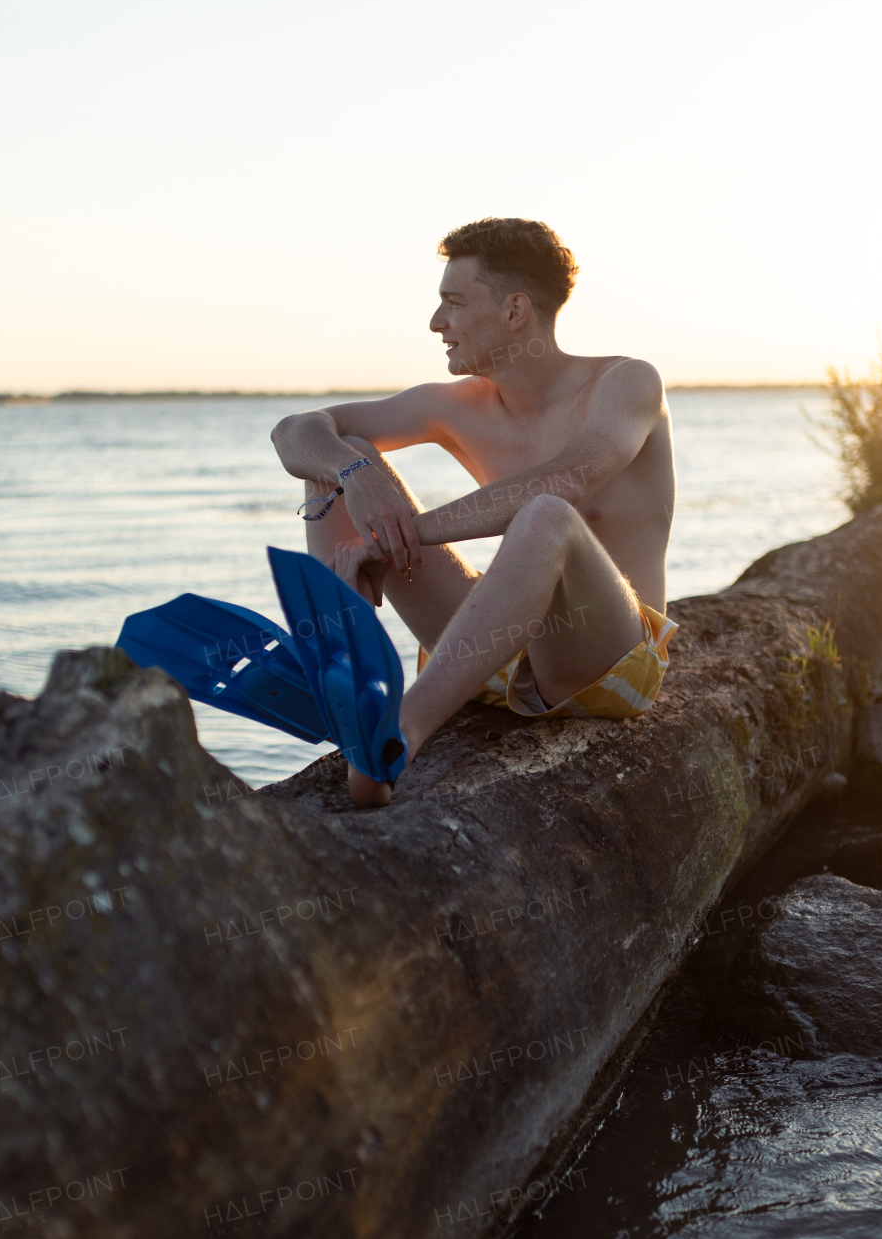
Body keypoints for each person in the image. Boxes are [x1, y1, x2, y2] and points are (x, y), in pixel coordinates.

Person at [270, 217, 676, 806]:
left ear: (515, 312)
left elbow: (571, 477)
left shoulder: (625, 382)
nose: (437, 323)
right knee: (340, 453)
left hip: (602, 660)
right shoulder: (454, 404)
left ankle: (401, 731)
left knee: (547, 514)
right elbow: (295, 430)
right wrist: (357, 478)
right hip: (494, 652)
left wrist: (398, 535)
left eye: (453, 303)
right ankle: (353, 684)